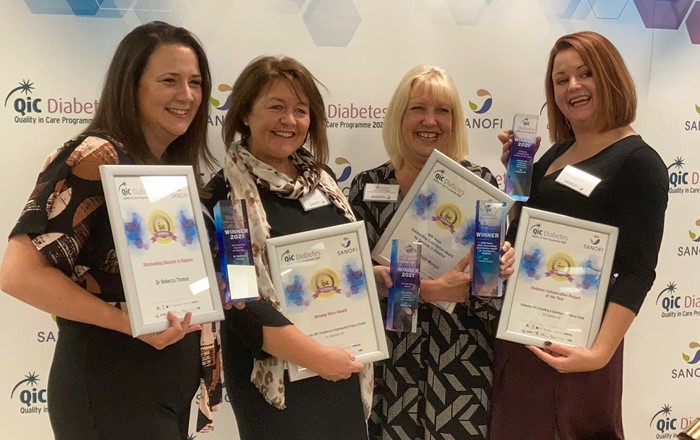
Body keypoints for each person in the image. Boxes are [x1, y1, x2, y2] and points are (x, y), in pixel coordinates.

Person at [0, 22, 222, 439]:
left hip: (162, 388)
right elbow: (18, 273)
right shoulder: (94, 155)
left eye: (196, 82)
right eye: (169, 81)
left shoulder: (169, 169)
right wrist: (130, 323)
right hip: (110, 385)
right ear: (130, 85)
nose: (187, 95)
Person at [489, 31, 669, 440]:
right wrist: (516, 178)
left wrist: (598, 354)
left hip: (576, 345)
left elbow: (639, 271)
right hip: (520, 335)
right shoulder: (555, 153)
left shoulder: (639, 163)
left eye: (585, 74)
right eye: (560, 79)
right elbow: (525, 234)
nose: (573, 87)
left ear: (610, 77)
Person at [201, 55, 371, 440]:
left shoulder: (323, 183)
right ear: (245, 113)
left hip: (342, 364)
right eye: (276, 107)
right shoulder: (228, 194)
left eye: (300, 110)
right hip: (280, 387)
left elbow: (343, 265)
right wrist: (317, 358)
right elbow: (240, 300)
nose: (289, 121)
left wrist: (371, 278)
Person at [349, 65, 515, 439]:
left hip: (460, 375)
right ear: (398, 116)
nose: (430, 121)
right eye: (417, 108)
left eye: (443, 111)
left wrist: (498, 269)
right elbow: (352, 288)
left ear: (455, 121)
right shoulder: (367, 187)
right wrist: (433, 290)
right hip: (389, 377)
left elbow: (490, 301)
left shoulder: (481, 187)